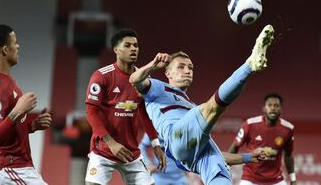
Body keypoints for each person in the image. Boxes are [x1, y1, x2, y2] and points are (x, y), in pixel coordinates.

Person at [129, 24, 275, 185]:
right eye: (181, 67)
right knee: (212, 107)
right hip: (175, 136)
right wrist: (153, 65)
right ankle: (250, 65)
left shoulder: (192, 107)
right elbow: (134, 80)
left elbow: (218, 154)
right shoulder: (158, 88)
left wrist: (248, 157)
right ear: (168, 73)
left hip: (191, 158)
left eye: (190, 67)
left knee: (219, 169)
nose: (187, 71)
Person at [85, 29, 166, 185]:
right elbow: (91, 112)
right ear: (116, 50)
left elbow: (144, 113)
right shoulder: (101, 76)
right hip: (103, 150)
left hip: (131, 152)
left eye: (135, 45)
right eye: (128, 45)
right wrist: (111, 142)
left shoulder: (144, 79)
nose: (133, 49)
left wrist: (155, 144)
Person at [0, 24, 52, 184]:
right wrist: (18, 111)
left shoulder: (5, 81)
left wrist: (32, 126)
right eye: (15, 42)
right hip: (9, 166)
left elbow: (8, 130)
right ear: (5, 50)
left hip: (16, 165)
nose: (18, 46)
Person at [228, 94, 296, 185]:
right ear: (264, 108)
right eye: (269, 105)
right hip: (250, 178)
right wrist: (226, 169)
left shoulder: (288, 128)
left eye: (276, 106)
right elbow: (235, 147)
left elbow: (288, 155)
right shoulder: (250, 124)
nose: (273, 108)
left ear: (281, 109)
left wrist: (293, 179)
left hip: (276, 179)